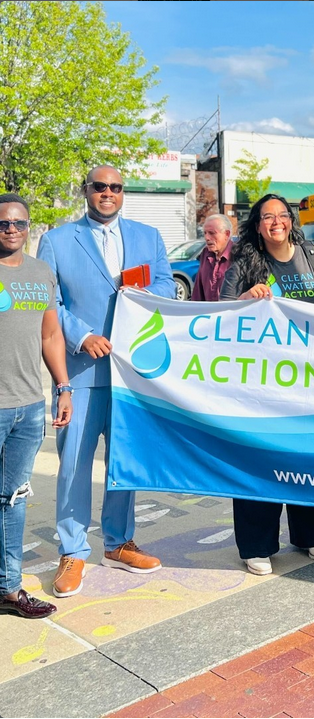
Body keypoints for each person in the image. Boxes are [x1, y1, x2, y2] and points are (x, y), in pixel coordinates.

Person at [37, 165, 176, 598]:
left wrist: (146, 297)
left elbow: (169, 287)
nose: (108, 193)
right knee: (75, 465)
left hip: (132, 373)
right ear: (87, 191)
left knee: (124, 461)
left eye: (116, 187)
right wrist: (81, 335)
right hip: (81, 371)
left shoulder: (148, 237)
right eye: (100, 187)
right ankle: (74, 550)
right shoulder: (57, 240)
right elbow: (48, 300)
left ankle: (118, 543)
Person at [219, 194, 314, 576]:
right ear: (257, 225)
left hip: (309, 380)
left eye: (282, 215)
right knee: (259, 459)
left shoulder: (311, 256)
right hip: (261, 384)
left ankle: (311, 533)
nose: (276, 222)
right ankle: (257, 544)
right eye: (267, 217)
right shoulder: (245, 264)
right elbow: (219, 315)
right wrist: (244, 299)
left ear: (291, 220)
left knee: (307, 456)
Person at [0, 194, 72, 619]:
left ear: (29, 227)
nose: (10, 230)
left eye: (18, 224)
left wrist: (63, 387)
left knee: (13, 498)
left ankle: (8, 588)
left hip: (28, 407)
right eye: (3, 224)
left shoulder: (41, 272)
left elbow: (50, 336)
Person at [190, 214, 234, 302]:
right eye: (205, 233)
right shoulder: (205, 254)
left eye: (212, 233)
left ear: (227, 234)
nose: (207, 238)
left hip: (231, 313)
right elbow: (198, 291)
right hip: (208, 314)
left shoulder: (239, 255)